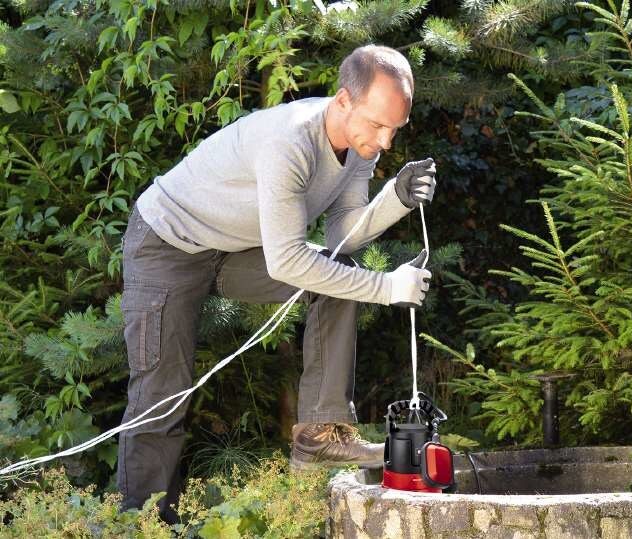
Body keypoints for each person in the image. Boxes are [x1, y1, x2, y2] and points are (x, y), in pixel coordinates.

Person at [117, 44, 436, 522]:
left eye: (396, 128)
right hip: (167, 243)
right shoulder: (289, 142)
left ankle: (320, 435)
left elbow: (341, 235)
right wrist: (387, 287)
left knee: (336, 276)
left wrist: (396, 200)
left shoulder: (359, 146)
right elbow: (287, 260)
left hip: (235, 249)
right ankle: (140, 526)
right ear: (343, 100)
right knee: (160, 399)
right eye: (377, 125)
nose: (386, 141)